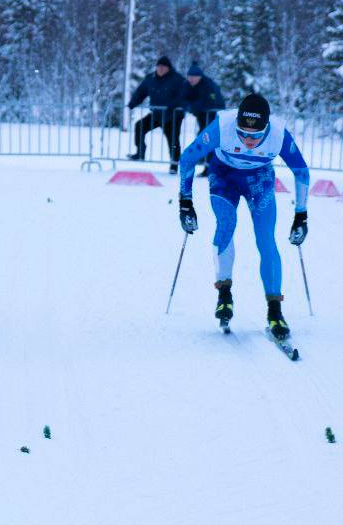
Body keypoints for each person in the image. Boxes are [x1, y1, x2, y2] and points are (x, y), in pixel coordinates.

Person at [177, 93, 310, 340]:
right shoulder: (222, 125)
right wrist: (185, 201)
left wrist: (301, 214)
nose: (249, 140)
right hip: (224, 176)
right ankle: (224, 294)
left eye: (256, 136)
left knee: (266, 240)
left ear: (266, 128)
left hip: (259, 180)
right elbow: (188, 158)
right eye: (243, 133)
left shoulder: (279, 134)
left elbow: (301, 170)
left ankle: (275, 309)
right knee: (226, 224)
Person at [127, 56, 188, 172]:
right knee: (140, 126)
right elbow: (141, 92)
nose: (160, 69)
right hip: (156, 114)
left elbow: (184, 96)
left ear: (169, 68)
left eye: (163, 67)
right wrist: (133, 103)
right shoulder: (150, 78)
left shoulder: (177, 79)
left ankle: (174, 165)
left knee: (173, 139)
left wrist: (172, 106)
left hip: (173, 115)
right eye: (159, 66)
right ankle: (140, 152)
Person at [182, 62, 225, 177]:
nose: (191, 79)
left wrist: (192, 106)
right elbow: (183, 98)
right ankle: (206, 161)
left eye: (194, 77)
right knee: (203, 137)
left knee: (207, 139)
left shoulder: (208, 85)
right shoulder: (187, 84)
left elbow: (210, 101)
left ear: (200, 77)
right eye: (189, 77)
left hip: (214, 113)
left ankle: (209, 166)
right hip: (201, 114)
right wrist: (189, 106)